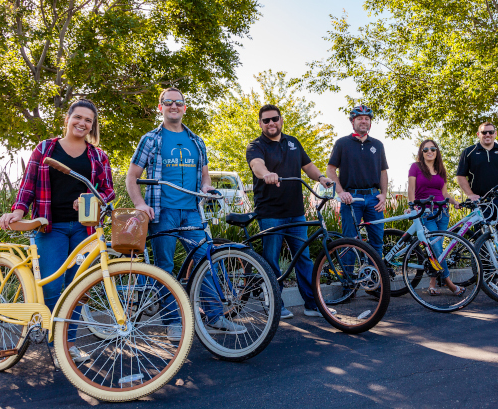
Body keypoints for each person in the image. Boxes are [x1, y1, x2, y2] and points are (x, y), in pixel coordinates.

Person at [0, 99, 115, 363]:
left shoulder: (98, 155)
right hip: (51, 226)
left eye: (88, 120)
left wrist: (92, 198)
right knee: (52, 287)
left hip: (84, 230)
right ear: (68, 118)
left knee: (77, 288)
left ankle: (68, 344)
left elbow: (108, 190)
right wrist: (18, 211)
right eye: (78, 117)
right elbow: (27, 185)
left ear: (92, 125)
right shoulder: (45, 148)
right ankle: (53, 338)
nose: (82, 123)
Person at [126, 87, 245, 341]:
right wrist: (139, 204)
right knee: (165, 268)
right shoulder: (151, 139)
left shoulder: (196, 140)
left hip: (192, 212)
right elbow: (132, 177)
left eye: (178, 103)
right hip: (162, 213)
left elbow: (204, 176)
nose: (173, 106)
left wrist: (206, 187)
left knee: (207, 261)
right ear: (160, 107)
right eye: (168, 102)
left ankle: (215, 317)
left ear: (184, 108)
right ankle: (172, 322)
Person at [246, 104, 334, 319]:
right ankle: (275, 305)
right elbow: (257, 165)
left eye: (274, 119)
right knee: (271, 261)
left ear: (281, 119)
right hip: (270, 214)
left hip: (296, 212)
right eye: (265, 120)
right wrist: (267, 174)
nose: (271, 123)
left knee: (303, 258)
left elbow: (308, 166)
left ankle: (313, 305)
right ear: (260, 124)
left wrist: (321, 177)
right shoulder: (255, 145)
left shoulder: (293, 142)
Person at [326, 105, 389, 256]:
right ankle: (349, 277)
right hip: (351, 199)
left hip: (374, 198)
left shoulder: (378, 145)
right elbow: (330, 169)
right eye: (360, 118)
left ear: (370, 123)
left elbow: (383, 172)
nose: (364, 121)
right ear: (352, 122)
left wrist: (384, 194)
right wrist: (340, 192)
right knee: (349, 242)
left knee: (377, 242)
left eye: (367, 119)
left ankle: (374, 277)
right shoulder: (342, 143)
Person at [407, 139, 464, 296]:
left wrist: (455, 202)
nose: (429, 151)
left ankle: (432, 284)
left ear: (437, 151)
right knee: (437, 249)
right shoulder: (415, 167)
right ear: (422, 152)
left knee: (437, 250)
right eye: (426, 150)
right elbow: (411, 188)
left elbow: (444, 193)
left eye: (433, 148)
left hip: (442, 213)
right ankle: (450, 284)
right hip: (425, 212)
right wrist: (412, 207)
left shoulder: (441, 169)